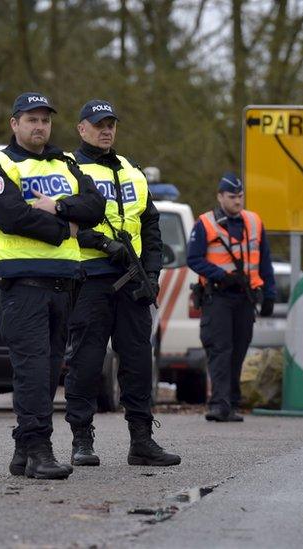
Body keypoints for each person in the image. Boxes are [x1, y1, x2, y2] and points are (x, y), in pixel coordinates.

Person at [0, 92, 104, 480]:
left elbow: (95, 207)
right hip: (23, 283)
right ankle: (39, 448)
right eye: (31, 119)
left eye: (45, 120)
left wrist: (57, 206)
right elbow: (11, 216)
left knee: (47, 371)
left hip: (64, 283)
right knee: (32, 368)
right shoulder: (0, 166)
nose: (39, 126)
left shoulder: (66, 163)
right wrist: (66, 227)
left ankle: (23, 450)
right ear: (14, 123)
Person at [63, 99, 180, 468]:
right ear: (82, 128)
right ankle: (81, 440)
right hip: (91, 279)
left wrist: (153, 274)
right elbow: (62, 226)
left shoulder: (133, 171)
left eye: (111, 124)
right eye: (98, 124)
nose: (106, 130)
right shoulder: (68, 168)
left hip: (133, 282)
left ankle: (142, 441)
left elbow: (151, 226)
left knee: (138, 363)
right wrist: (101, 244)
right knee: (86, 362)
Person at [186, 173, 277, 422]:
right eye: (232, 197)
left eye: (240, 196)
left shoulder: (254, 222)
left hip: (246, 297)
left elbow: (265, 260)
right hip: (218, 296)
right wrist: (221, 276)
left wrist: (270, 294)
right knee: (220, 350)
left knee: (238, 350)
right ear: (220, 197)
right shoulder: (205, 223)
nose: (237, 201)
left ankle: (231, 403)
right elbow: (193, 259)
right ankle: (219, 404)